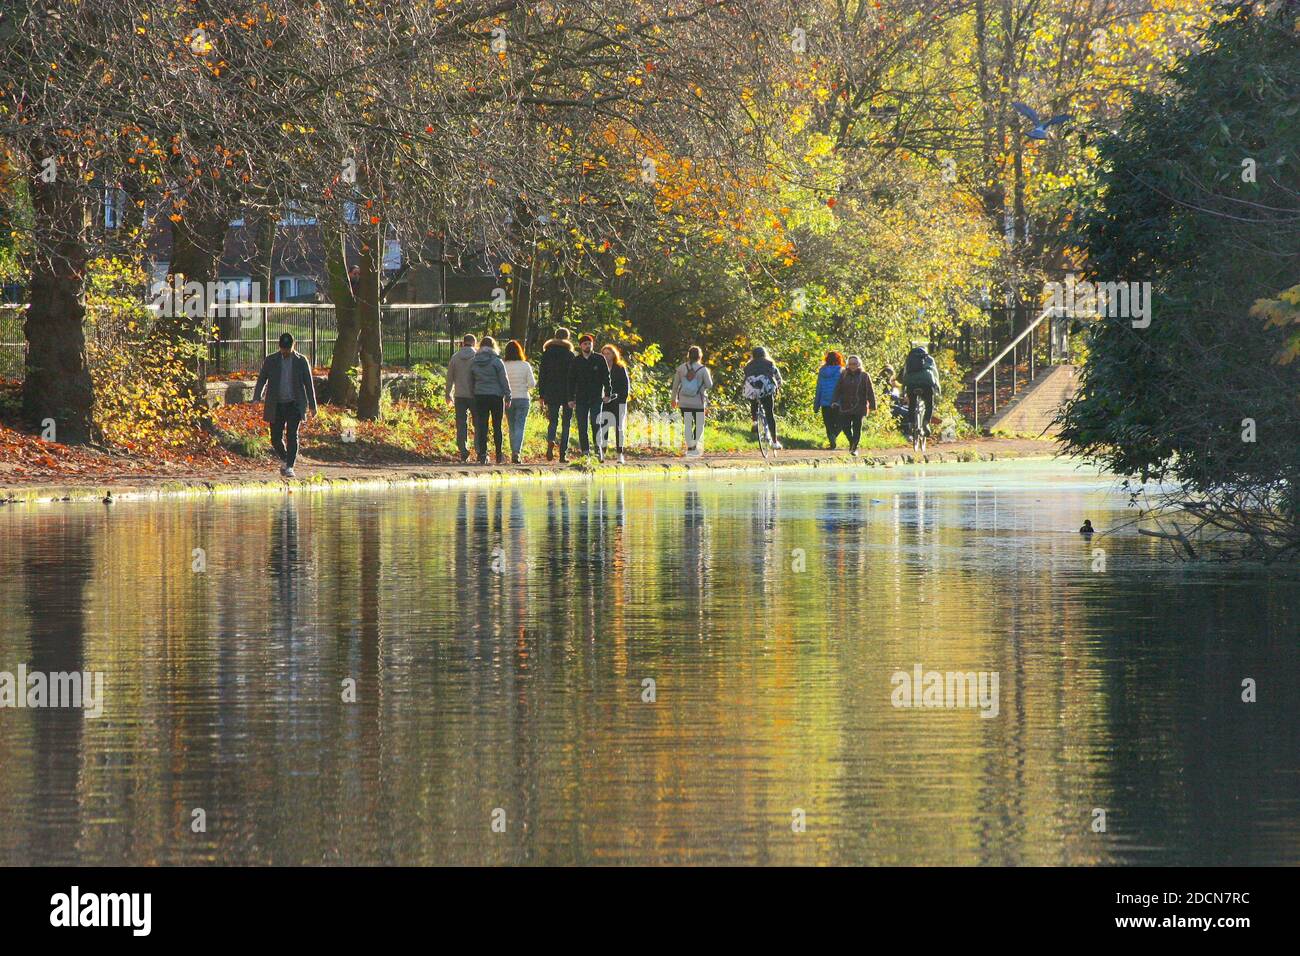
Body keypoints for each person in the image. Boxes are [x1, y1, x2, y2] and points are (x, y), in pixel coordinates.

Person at [253, 332, 317, 478]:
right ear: (279, 347)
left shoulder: (301, 361)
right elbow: (262, 379)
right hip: (276, 404)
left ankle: (289, 466)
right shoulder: (271, 360)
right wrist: (257, 397)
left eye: (287, 349)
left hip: (294, 404)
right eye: (283, 348)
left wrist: (313, 406)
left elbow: (308, 384)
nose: (285, 351)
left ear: (293, 346)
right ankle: (286, 458)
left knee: (292, 435)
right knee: (275, 438)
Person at [568, 333, 611, 460]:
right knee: (582, 425)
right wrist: (570, 398)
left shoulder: (599, 359)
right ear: (580, 346)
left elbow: (606, 377)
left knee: (596, 423)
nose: (587, 346)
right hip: (581, 398)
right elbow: (571, 380)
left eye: (589, 343)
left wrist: (607, 393)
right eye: (585, 344)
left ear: (592, 345)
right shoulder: (576, 361)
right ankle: (585, 451)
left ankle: (598, 450)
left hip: (596, 397)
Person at [470, 335, 511, 464]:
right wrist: (508, 395)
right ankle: (499, 454)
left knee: (482, 425)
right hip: (496, 396)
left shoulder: (474, 361)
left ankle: (483, 453)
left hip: (480, 396)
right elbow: (503, 379)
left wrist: (474, 391)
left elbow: (471, 378)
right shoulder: (497, 361)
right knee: (497, 425)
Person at [537, 327, 575, 461]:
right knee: (566, 423)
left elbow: (542, 375)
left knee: (553, 421)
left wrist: (541, 394)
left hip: (551, 391)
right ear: (567, 338)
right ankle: (563, 453)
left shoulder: (547, 353)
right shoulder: (570, 355)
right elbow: (573, 377)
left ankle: (550, 441)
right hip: (567, 393)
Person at [671, 346, 713, 456]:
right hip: (698, 402)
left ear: (688, 355)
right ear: (700, 356)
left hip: (684, 402)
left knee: (688, 424)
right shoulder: (703, 369)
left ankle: (690, 446)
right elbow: (709, 385)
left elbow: (675, 386)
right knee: (700, 424)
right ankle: (693, 446)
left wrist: (673, 399)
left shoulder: (681, 368)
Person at [830, 354, 876, 456]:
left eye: (854, 364)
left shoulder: (864, 376)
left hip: (859, 406)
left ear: (859, 364)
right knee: (845, 426)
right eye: (850, 364)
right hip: (845, 406)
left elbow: (870, 391)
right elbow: (838, 389)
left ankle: (854, 448)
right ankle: (851, 441)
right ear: (848, 365)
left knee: (857, 428)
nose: (852, 366)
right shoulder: (844, 374)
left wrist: (872, 405)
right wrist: (834, 401)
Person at [445, 333, 479, 462]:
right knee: (478, 424)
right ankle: (479, 450)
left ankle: (463, 450)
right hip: (475, 395)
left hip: (459, 395)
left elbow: (450, 378)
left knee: (461, 424)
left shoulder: (455, 357)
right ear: (474, 343)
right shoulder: (477, 357)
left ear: (463, 343)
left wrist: (448, 393)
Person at [742, 346, 783, 449]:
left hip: (751, 388)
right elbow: (778, 377)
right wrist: (778, 386)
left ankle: (755, 421)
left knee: (753, 400)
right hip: (765, 388)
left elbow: (745, 378)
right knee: (769, 413)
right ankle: (774, 442)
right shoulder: (769, 363)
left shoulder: (748, 366)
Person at [502, 339, 535, 464]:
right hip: (523, 398)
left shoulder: (503, 365)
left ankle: (513, 451)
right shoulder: (525, 365)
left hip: (508, 399)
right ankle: (516, 452)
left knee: (512, 426)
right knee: (520, 425)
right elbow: (532, 383)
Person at [901, 344, 941, 444]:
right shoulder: (929, 358)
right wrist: (937, 386)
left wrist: (903, 390)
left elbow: (905, 373)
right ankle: (926, 422)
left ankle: (911, 423)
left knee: (912, 405)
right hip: (926, 385)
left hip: (911, 385)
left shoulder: (910, 359)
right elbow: (935, 373)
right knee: (929, 404)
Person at [599, 344, 631, 464]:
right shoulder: (599, 367)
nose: (606, 356)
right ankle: (602, 453)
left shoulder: (620, 367)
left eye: (608, 353)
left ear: (613, 354)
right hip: (604, 402)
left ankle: (619, 454)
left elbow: (625, 386)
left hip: (619, 402)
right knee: (603, 428)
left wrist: (621, 400)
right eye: (604, 353)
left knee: (619, 428)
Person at [814, 351, 845, 449]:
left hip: (825, 400)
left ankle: (832, 442)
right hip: (838, 401)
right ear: (839, 360)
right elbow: (844, 387)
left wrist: (816, 404)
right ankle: (834, 436)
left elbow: (819, 387)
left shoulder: (822, 371)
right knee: (841, 422)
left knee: (828, 423)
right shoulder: (841, 371)